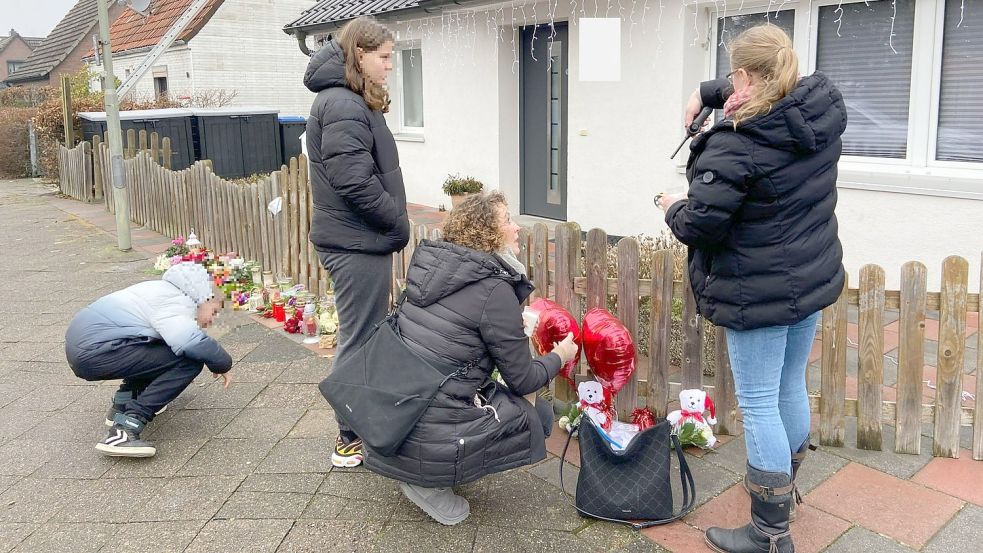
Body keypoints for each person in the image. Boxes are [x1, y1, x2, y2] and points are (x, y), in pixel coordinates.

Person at [658, 24, 847, 553]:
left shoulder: (738, 146)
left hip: (757, 290)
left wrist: (670, 204)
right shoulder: (815, 112)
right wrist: (706, 91)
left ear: (745, 75)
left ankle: (769, 533)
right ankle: (783, 491)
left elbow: (701, 225)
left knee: (760, 400)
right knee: (789, 385)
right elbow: (768, 88)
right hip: (809, 277)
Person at [363, 192, 578, 526]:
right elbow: (523, 380)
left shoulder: (433, 268)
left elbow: (454, 333)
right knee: (538, 415)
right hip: (430, 417)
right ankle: (427, 483)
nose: (517, 227)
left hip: (395, 409)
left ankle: (428, 466)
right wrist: (560, 355)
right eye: (508, 220)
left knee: (497, 400)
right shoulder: (493, 289)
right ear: (488, 234)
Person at [303, 16, 410, 468]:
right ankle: (350, 435)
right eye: (384, 57)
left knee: (363, 333)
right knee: (360, 338)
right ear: (359, 55)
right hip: (356, 242)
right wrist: (397, 223)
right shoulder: (344, 105)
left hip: (356, 239)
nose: (390, 66)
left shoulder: (346, 100)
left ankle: (361, 426)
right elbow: (354, 183)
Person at [65, 262, 232, 458]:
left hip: (89, 348)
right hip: (96, 352)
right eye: (215, 310)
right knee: (189, 361)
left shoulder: (162, 289)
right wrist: (222, 362)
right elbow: (188, 342)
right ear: (206, 297)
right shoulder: (177, 302)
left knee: (169, 352)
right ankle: (124, 430)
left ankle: (124, 403)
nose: (213, 319)